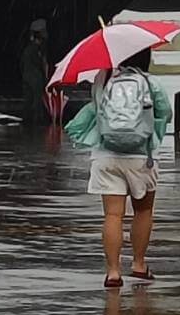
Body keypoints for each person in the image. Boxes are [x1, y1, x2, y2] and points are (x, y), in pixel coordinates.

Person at [64, 48, 172, 288]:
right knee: (143, 211)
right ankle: (139, 264)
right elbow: (166, 113)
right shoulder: (149, 81)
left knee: (113, 215)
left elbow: (96, 110)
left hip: (106, 155)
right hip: (141, 157)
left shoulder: (103, 79)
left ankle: (113, 272)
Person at [20, 27, 50, 125]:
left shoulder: (27, 49)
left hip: (26, 76)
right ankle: (38, 121)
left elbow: (21, 64)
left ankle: (26, 120)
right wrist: (46, 78)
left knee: (28, 99)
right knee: (37, 100)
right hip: (36, 77)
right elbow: (43, 64)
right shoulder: (39, 50)